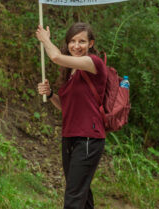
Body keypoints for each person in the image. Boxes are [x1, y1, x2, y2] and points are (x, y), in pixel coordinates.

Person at [36, 22, 106, 209]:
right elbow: (66, 107)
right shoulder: (71, 72)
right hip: (70, 137)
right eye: (72, 41)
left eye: (82, 41)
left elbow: (55, 56)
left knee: (74, 197)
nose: (76, 45)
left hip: (89, 139)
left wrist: (45, 40)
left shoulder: (93, 63)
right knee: (81, 194)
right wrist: (50, 95)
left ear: (91, 43)